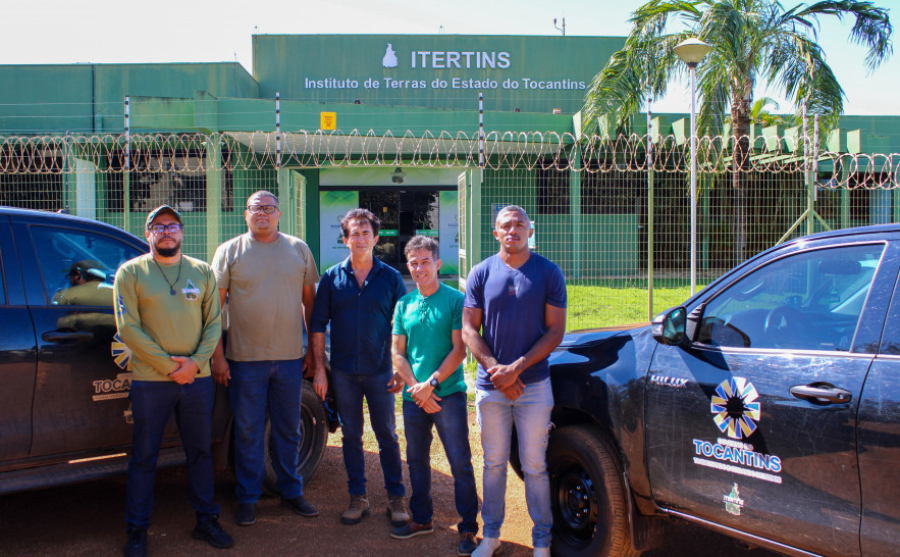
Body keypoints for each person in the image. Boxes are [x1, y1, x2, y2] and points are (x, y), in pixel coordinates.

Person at [114, 205, 232, 557]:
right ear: (148, 232)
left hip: (197, 381)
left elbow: (214, 324)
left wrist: (194, 364)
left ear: (182, 232)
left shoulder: (202, 272)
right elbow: (128, 329)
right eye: (159, 226)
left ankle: (206, 519)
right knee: (144, 456)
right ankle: (136, 530)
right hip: (152, 382)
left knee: (199, 453)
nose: (167, 231)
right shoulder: (130, 273)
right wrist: (169, 366)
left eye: (173, 226)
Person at [462, 205, 567, 557]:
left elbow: (555, 332)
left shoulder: (548, 273)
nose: (513, 230)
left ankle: (542, 542)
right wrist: (497, 370)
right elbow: (467, 329)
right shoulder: (480, 273)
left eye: (520, 224)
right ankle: (491, 536)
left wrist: (517, 369)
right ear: (496, 233)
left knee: (535, 465)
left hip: (534, 386)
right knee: (493, 464)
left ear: (530, 231)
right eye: (506, 225)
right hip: (491, 387)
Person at [211, 190, 320, 526]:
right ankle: (248, 497)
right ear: (246, 214)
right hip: (244, 361)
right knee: (247, 431)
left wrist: (314, 356)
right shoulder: (229, 251)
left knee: (288, 430)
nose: (262, 213)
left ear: (279, 214)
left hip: (289, 360)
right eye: (256, 208)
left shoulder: (299, 250)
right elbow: (214, 309)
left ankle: (291, 491)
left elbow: (310, 306)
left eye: (269, 208)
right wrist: (218, 356)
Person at [309, 208, 410, 527]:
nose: (361, 238)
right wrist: (320, 370)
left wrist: (400, 368)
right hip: (343, 373)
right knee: (351, 436)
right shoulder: (331, 278)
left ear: (376, 238)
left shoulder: (391, 278)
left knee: (387, 436)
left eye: (367, 233)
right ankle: (358, 498)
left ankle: (396, 499)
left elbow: (404, 325)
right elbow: (317, 325)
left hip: (381, 371)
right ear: (345, 239)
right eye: (355, 233)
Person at [389, 236, 479, 555]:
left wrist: (432, 384)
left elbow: (459, 348)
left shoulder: (455, 300)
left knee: (459, 462)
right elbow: (397, 353)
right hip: (415, 397)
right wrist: (416, 387)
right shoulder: (404, 304)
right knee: (416, 460)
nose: (419, 268)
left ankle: (468, 528)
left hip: (448, 395)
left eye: (425, 261)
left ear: (438, 263)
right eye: (413, 262)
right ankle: (422, 519)